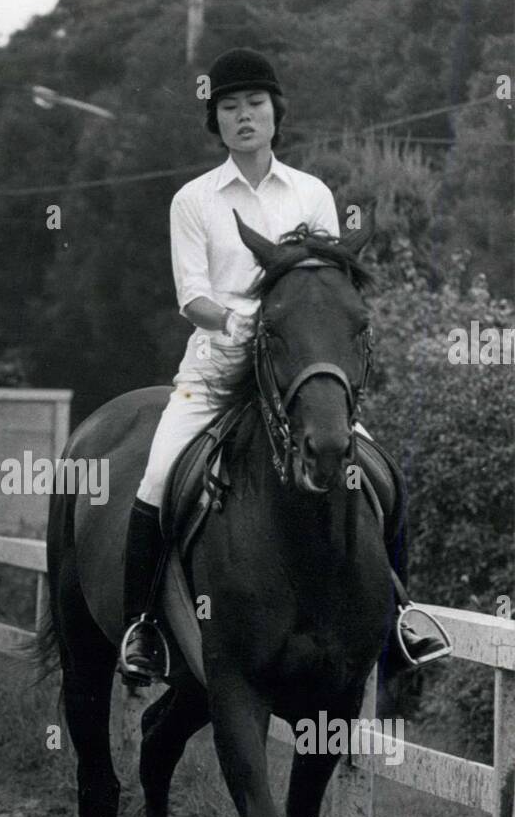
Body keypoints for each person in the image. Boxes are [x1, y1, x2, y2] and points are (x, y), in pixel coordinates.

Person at [118, 47, 448, 685]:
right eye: (230, 107)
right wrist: (246, 324)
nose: (244, 117)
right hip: (217, 371)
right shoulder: (193, 199)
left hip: (296, 370)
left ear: (275, 113)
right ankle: (144, 629)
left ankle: (400, 617)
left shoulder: (311, 192)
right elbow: (192, 296)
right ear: (216, 121)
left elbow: (326, 281)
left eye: (255, 105)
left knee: (380, 477)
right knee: (157, 477)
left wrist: (305, 333)